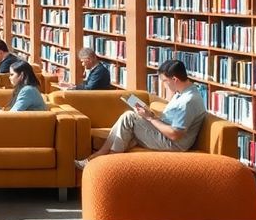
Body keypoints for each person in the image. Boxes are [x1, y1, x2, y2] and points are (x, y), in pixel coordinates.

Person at [75, 59, 206, 168]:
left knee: (129, 118)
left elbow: (175, 134)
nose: (165, 86)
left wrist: (150, 118)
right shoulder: (181, 94)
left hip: (175, 144)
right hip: (165, 134)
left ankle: (105, 161)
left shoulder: (188, 101)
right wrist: (152, 116)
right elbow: (171, 120)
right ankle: (102, 159)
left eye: (165, 82)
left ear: (175, 79)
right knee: (129, 126)